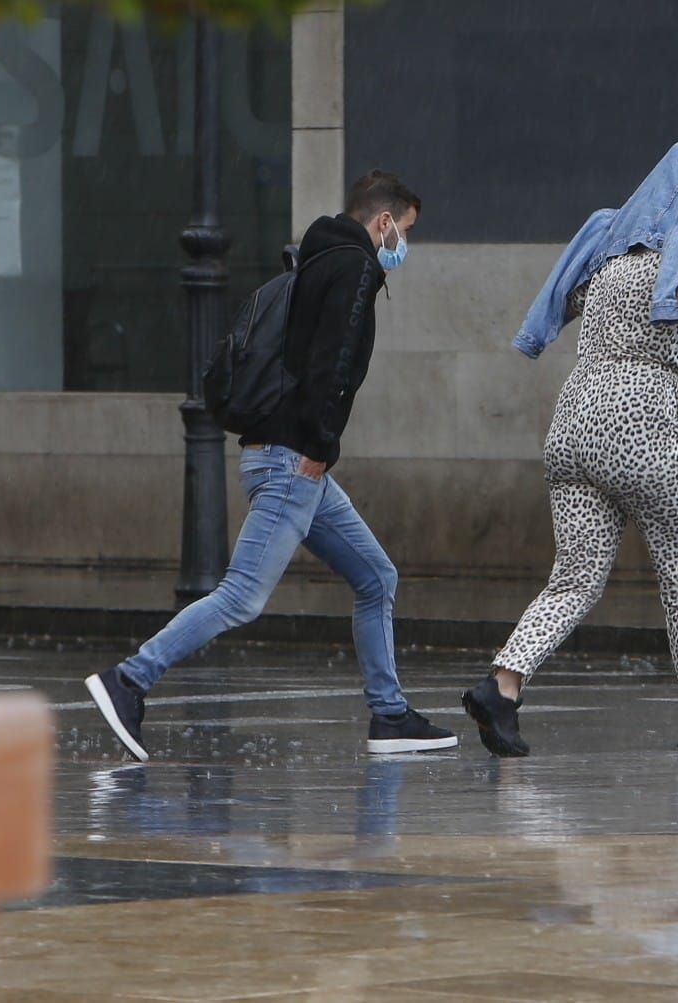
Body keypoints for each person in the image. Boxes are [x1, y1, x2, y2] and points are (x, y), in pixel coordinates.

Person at [85, 171, 457, 761]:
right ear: (383, 221)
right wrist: (318, 448)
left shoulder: (316, 258)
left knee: (376, 577)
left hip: (291, 459)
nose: (403, 245)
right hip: (294, 460)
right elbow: (331, 368)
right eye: (405, 231)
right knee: (241, 597)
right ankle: (129, 679)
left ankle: (389, 716)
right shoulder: (356, 267)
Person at [462, 141, 678, 757]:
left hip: (574, 418)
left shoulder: (614, 251)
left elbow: (566, 303)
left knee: (574, 576)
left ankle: (504, 686)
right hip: (641, 420)